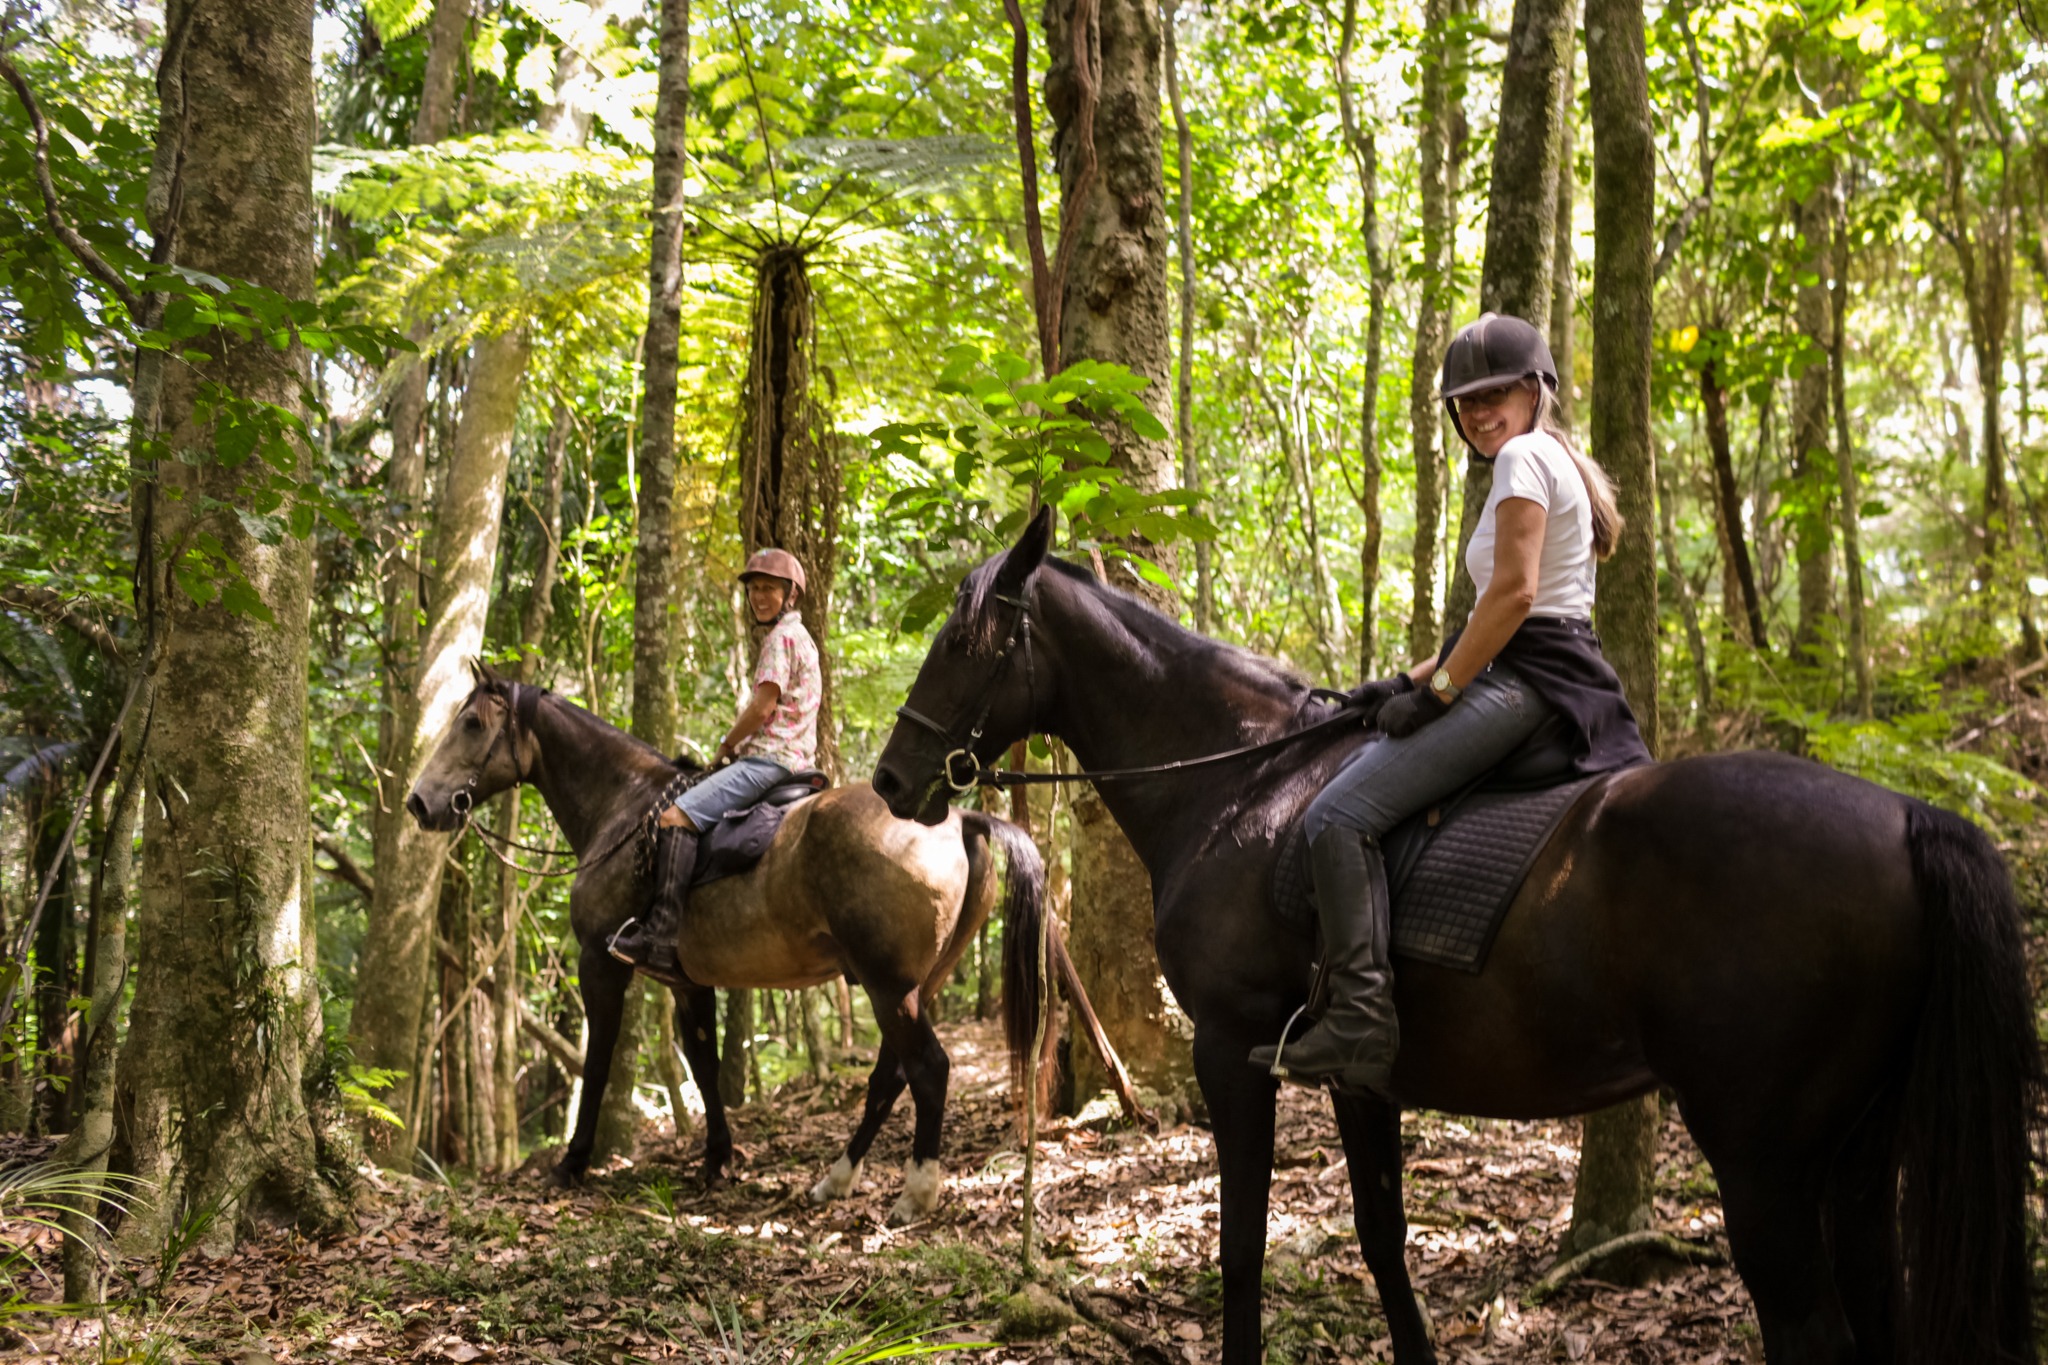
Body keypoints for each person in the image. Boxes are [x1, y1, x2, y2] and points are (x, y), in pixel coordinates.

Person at [1249, 312, 1653, 1095]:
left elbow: (1513, 595)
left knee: (1337, 816)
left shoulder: (1527, 456)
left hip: (1526, 680)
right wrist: (1403, 684)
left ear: (1537, 390)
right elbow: (1501, 617)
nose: (1478, 410)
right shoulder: (1550, 458)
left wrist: (1438, 694)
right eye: (1465, 401)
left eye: (1495, 391)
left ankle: (1360, 1017)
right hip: (1548, 666)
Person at [606, 547, 823, 981]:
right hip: (799, 759)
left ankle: (659, 938)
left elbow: (763, 708)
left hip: (770, 760)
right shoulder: (802, 638)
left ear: (791, 594)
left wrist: (726, 744)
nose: (760, 597)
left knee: (674, 816)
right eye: (754, 589)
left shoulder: (780, 639)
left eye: (769, 589)